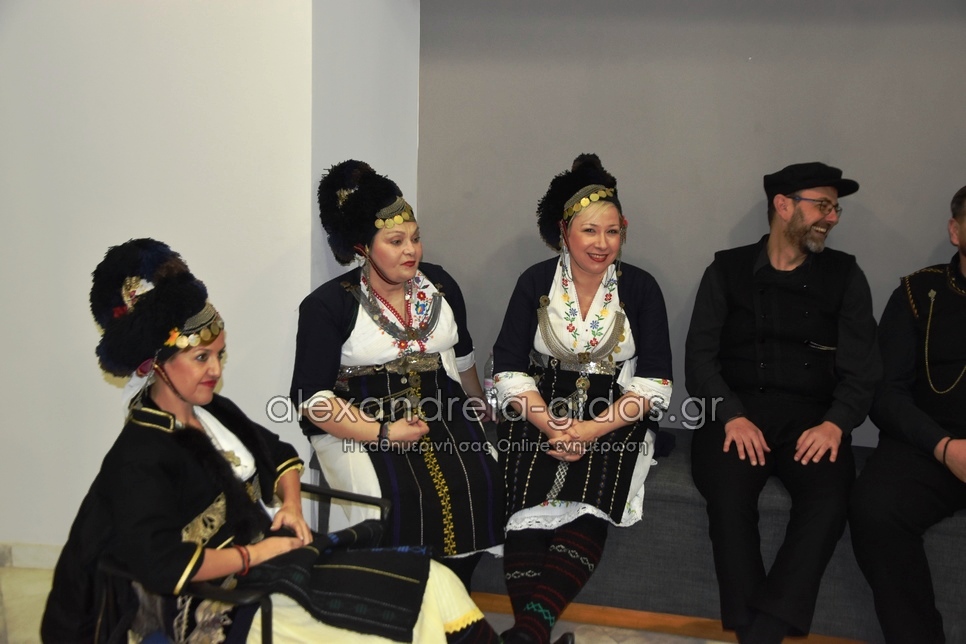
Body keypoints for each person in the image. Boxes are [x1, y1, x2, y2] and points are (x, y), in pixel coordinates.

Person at [41, 238, 499, 643]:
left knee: (437, 582)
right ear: (157, 365)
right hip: (216, 604)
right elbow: (165, 566)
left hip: (271, 565)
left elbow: (279, 457)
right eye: (201, 358)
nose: (216, 370)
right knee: (390, 625)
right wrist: (256, 553)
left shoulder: (212, 412)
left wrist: (292, 508)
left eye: (219, 355)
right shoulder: (140, 454)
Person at [684, 161, 881, 643]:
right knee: (728, 498)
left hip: (814, 420)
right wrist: (730, 415)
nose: (832, 218)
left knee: (830, 500)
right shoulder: (726, 270)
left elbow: (863, 370)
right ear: (783, 206)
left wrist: (836, 424)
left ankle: (763, 630)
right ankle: (760, 631)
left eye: (835, 209)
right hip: (738, 413)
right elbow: (699, 359)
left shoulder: (845, 275)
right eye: (823, 206)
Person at [290, 160, 503, 590]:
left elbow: (462, 359)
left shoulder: (440, 285)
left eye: (415, 238)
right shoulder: (327, 305)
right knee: (394, 498)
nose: (412, 251)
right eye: (396, 241)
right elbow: (312, 401)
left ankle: (448, 600)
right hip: (360, 421)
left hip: (442, 409)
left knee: (485, 480)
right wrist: (383, 433)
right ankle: (407, 601)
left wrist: (480, 407)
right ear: (363, 247)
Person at [493, 154, 673, 644]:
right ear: (564, 232)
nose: (601, 243)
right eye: (589, 231)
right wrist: (550, 425)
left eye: (612, 232)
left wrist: (589, 431)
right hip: (538, 405)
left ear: (623, 232)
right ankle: (533, 635)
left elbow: (656, 382)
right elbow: (507, 366)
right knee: (525, 503)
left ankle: (526, 636)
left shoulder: (641, 287)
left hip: (614, 411)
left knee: (590, 501)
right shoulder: (535, 281)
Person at [849, 185, 966, 643]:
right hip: (928, 445)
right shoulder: (919, 292)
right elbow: (886, 394)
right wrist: (945, 448)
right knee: (875, 510)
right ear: (955, 231)